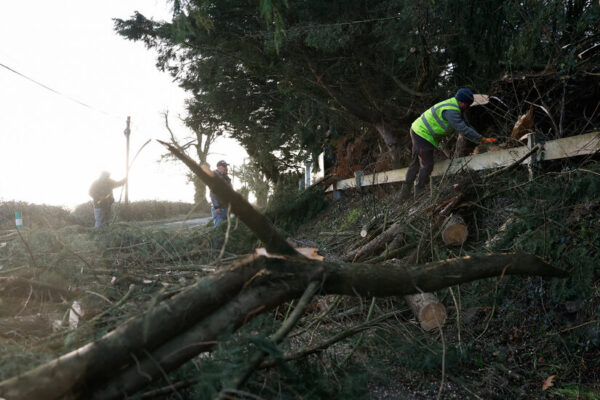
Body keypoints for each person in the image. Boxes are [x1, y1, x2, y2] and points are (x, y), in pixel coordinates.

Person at [400, 88, 496, 200]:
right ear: (461, 102)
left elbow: (467, 125)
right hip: (422, 134)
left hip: (418, 130)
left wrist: (481, 138)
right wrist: (482, 140)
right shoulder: (451, 112)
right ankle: (419, 194)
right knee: (427, 164)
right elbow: (464, 130)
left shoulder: (456, 106)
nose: (468, 107)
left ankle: (404, 195)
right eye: (467, 105)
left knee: (415, 163)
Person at [210, 160, 233, 227]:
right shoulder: (214, 176)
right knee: (218, 228)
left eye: (226, 166)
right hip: (219, 208)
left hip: (226, 207)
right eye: (224, 166)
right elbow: (212, 193)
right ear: (219, 167)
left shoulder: (224, 177)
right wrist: (216, 207)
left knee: (225, 228)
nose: (226, 168)